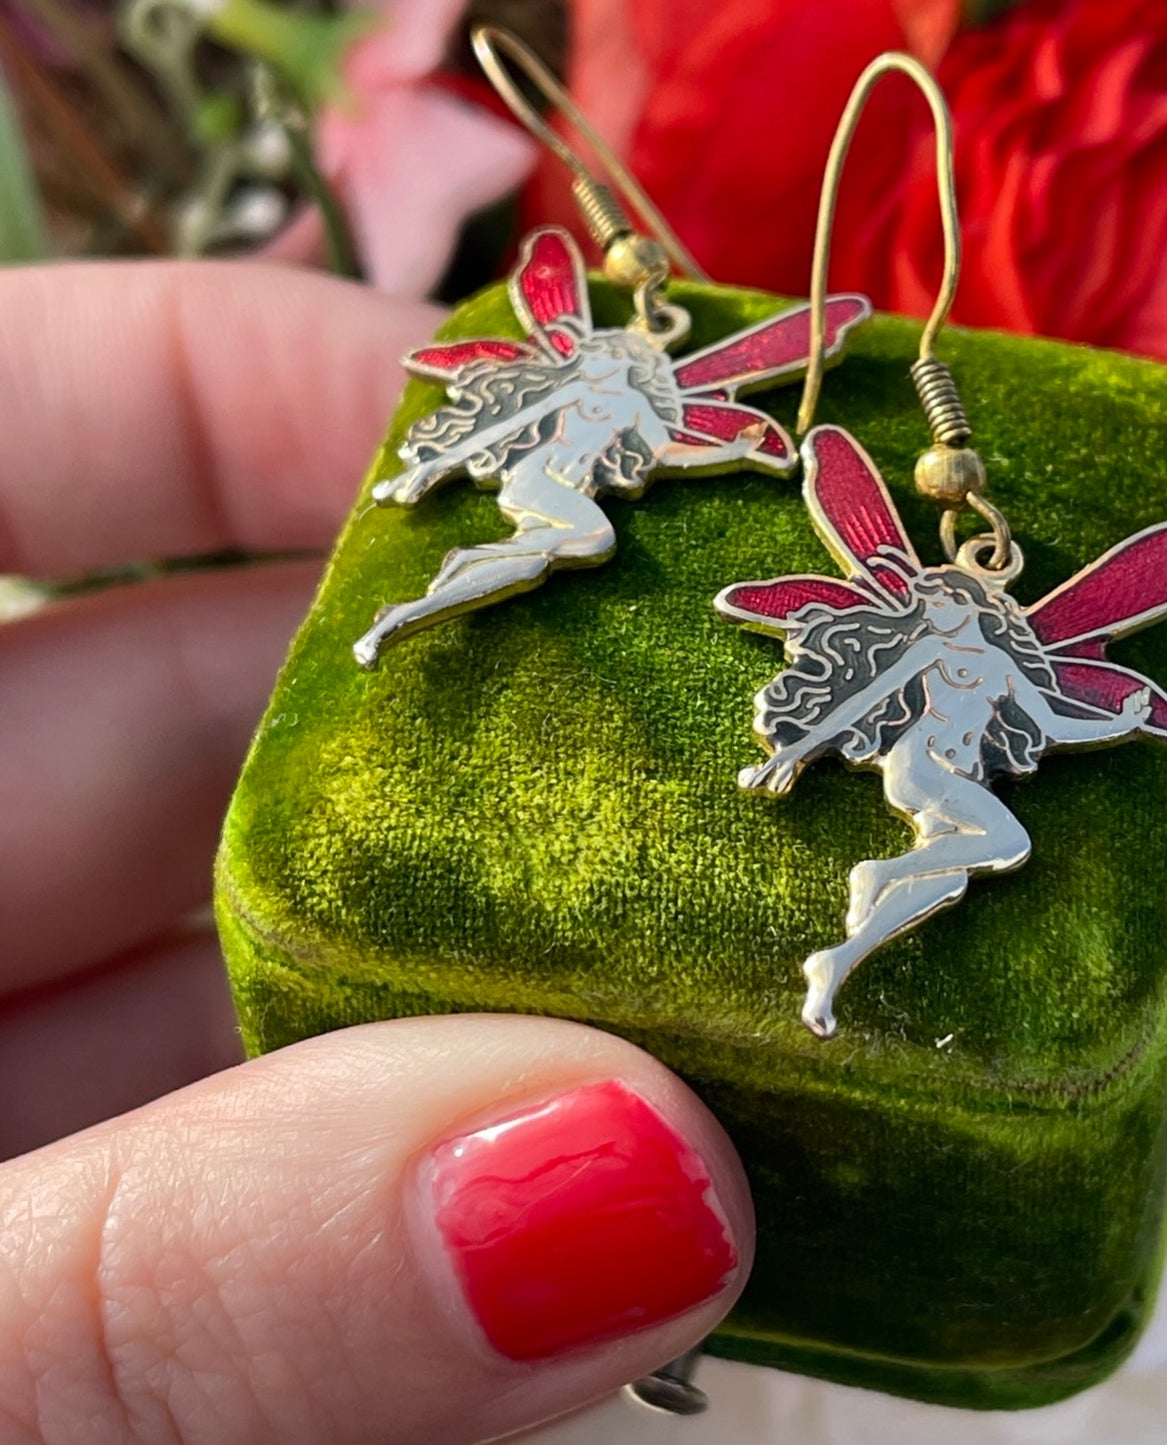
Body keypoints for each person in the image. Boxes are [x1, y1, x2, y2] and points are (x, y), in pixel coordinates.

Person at [0, 262, 753, 1444]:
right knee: (548, 535)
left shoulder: (623, 401)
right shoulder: (580, 389)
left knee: (550, 539)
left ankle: (416, 599)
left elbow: (692, 431)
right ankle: (415, 598)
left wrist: (744, 449)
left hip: (528, 495)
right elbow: (524, 395)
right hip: (521, 485)